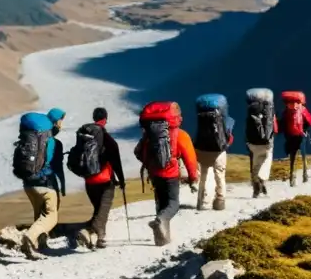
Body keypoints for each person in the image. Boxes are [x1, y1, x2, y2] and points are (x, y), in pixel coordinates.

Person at [134, 101, 197, 246]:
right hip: (171, 174)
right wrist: (193, 177)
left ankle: (162, 238)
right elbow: (190, 159)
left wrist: (150, 165)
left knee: (161, 203)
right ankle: (161, 222)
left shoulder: (149, 135)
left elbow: (139, 152)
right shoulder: (180, 135)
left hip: (154, 173)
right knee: (173, 204)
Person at [76, 107, 126, 250]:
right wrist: (121, 180)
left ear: (93, 117)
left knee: (99, 210)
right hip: (104, 179)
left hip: (88, 180)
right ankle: (88, 231)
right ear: (105, 119)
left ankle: (100, 238)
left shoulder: (84, 136)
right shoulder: (105, 137)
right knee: (103, 210)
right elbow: (116, 160)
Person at [20, 108, 66, 260]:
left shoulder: (31, 139)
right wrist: (62, 186)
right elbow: (56, 166)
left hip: (28, 184)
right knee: (51, 215)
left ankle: (41, 244)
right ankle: (30, 237)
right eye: (61, 121)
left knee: (39, 214)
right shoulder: (53, 142)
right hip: (46, 183)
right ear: (55, 122)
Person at [193, 94, 234, 212]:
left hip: (202, 149)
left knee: (204, 176)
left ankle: (203, 203)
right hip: (219, 150)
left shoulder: (201, 116)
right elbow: (229, 136)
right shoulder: (225, 119)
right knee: (220, 174)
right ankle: (220, 201)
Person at [245, 88, 279, 198]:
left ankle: (256, 188)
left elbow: (247, 129)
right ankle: (263, 181)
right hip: (267, 142)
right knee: (266, 161)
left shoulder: (250, 109)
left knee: (254, 165)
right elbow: (276, 128)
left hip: (252, 143)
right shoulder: (270, 110)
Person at [280, 91, 311, 187]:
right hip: (301, 136)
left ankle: (292, 177)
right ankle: (305, 174)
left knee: (292, 157)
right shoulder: (302, 109)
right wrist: (305, 131)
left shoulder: (285, 112)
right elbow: (310, 121)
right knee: (303, 155)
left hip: (290, 137)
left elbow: (282, 126)